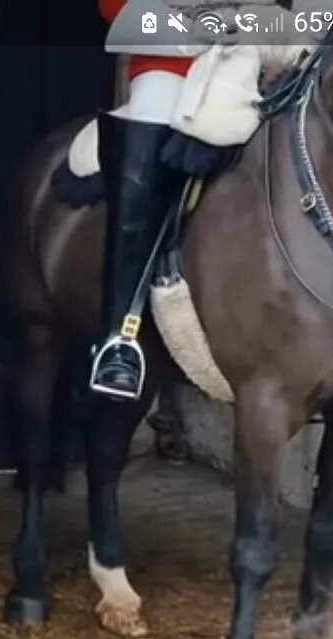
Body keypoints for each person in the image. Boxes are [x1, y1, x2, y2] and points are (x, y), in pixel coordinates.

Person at [90, 0, 200, 401]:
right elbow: (116, 7)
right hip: (167, 63)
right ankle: (120, 338)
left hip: (250, 63)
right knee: (144, 166)